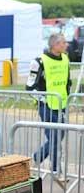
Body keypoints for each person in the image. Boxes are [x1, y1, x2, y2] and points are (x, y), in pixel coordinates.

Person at [26, 33, 71, 174]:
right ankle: (56, 169)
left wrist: (68, 96)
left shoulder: (65, 59)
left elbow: (67, 81)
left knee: (59, 135)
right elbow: (29, 87)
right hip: (46, 106)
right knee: (54, 137)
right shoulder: (39, 61)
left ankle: (37, 157)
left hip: (61, 105)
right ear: (55, 45)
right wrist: (42, 99)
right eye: (63, 42)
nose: (66, 45)